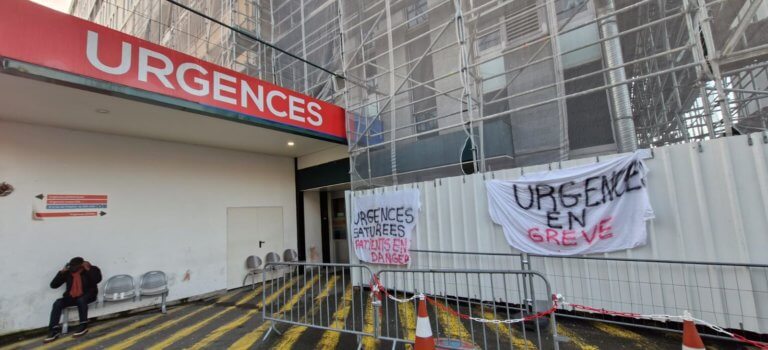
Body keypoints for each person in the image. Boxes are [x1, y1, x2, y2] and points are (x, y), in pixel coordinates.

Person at [44, 257, 102, 343]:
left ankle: (83, 325)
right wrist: (61, 272)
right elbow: (53, 285)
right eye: (71, 267)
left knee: (81, 300)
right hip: (72, 297)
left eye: (75, 267)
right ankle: (53, 330)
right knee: (58, 303)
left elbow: (97, 280)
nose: (73, 269)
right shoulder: (68, 273)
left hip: (89, 295)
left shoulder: (91, 269)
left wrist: (88, 269)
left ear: (81, 265)